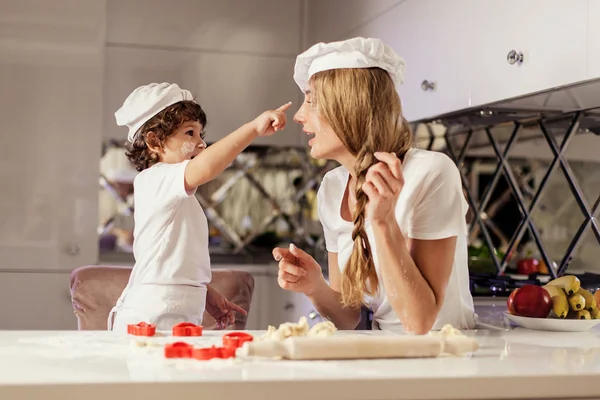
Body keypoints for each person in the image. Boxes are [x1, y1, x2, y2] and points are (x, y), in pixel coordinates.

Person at [272, 37, 475, 334]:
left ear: (349, 107)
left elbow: (419, 322)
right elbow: (349, 317)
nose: (299, 115)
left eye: (311, 100)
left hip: (442, 362)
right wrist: (314, 286)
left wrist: (382, 223)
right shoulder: (332, 186)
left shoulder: (431, 173)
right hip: (381, 359)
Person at [108, 82, 291, 331]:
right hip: (150, 315)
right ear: (154, 141)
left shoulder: (176, 192)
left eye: (201, 134)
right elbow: (206, 167)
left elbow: (175, 258)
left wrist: (204, 291)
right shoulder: (154, 179)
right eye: (190, 133)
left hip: (174, 311)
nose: (201, 143)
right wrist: (253, 128)